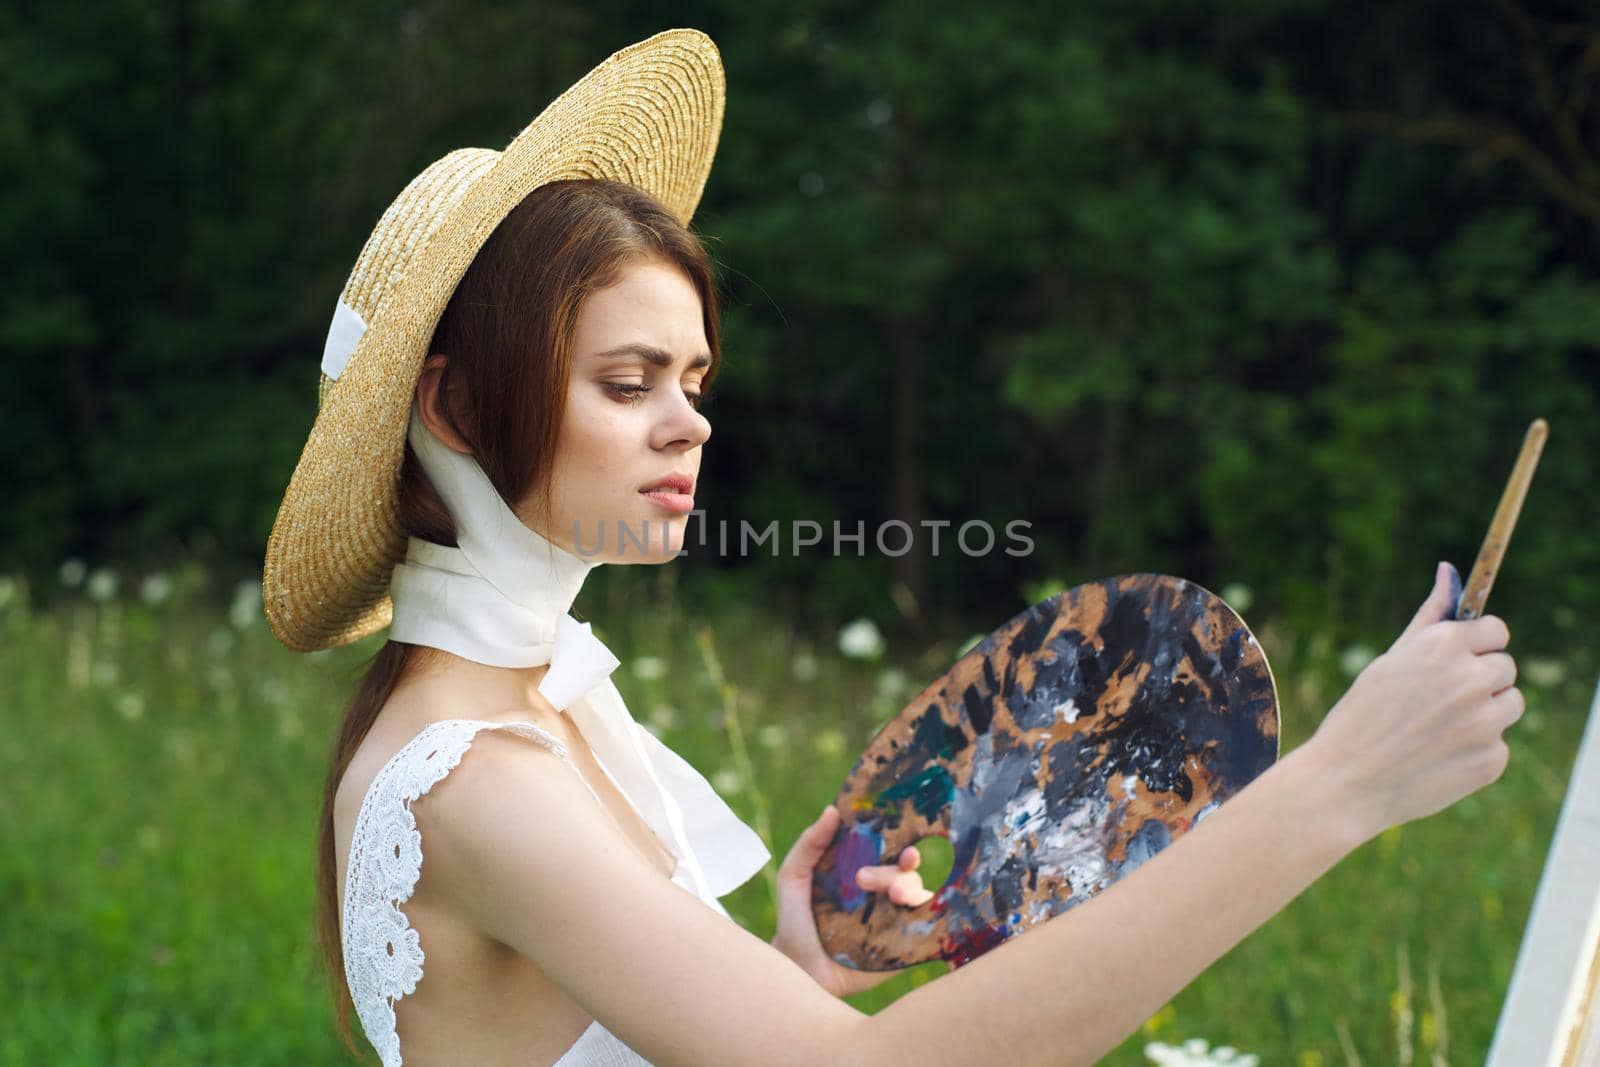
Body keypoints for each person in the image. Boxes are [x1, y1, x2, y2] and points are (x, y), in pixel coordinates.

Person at [263, 29, 1523, 1067]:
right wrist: (1336, 785)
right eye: (628, 378)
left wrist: (784, 981)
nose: (688, 419)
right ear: (459, 409)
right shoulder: (470, 778)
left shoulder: (532, 705)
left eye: (694, 376)